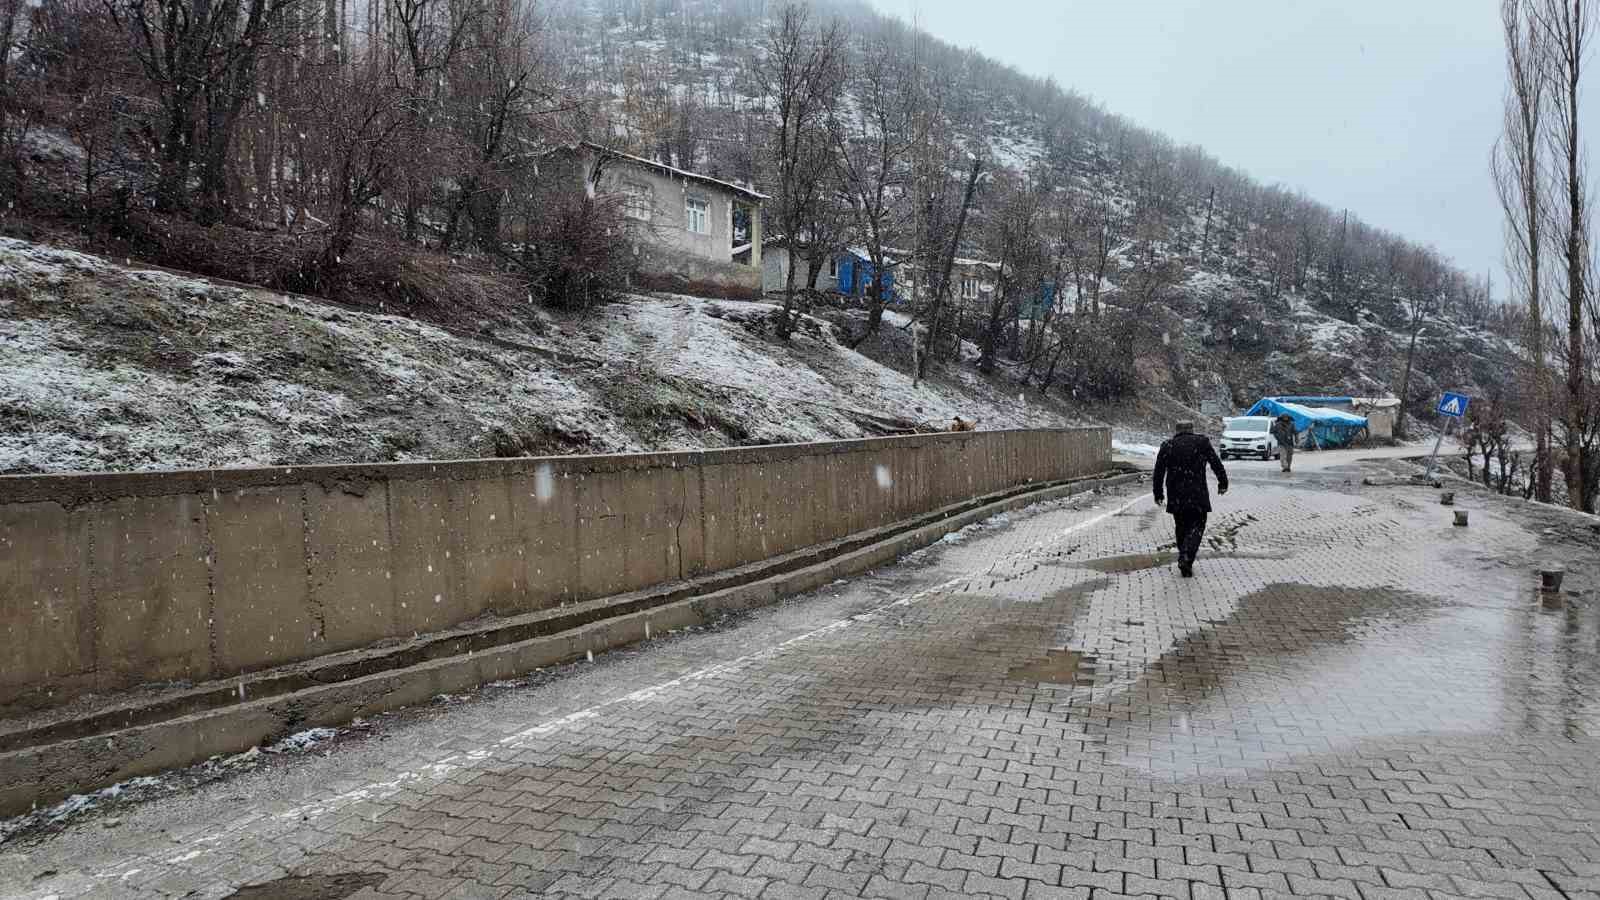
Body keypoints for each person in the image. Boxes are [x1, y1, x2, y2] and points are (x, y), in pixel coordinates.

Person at [1152, 420, 1228, 578]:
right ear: (1192, 429)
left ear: (1177, 430)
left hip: (1176, 493)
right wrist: (1223, 482)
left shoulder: (1168, 445)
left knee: (1181, 526)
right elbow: (1215, 462)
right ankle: (1187, 557)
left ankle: (1184, 554)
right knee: (1197, 526)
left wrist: (1158, 493)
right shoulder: (1202, 442)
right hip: (1197, 492)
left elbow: (1159, 471)